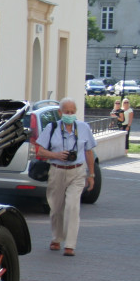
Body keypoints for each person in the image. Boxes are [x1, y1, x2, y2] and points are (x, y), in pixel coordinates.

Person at [34, 98, 96, 257]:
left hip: (77, 171)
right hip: (57, 171)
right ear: (60, 112)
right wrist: (56, 155)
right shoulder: (52, 127)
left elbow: (89, 152)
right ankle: (56, 238)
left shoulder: (83, 128)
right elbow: (40, 151)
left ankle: (70, 244)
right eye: (66, 112)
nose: (69, 115)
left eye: (72, 112)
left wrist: (92, 174)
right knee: (56, 208)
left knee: (72, 207)